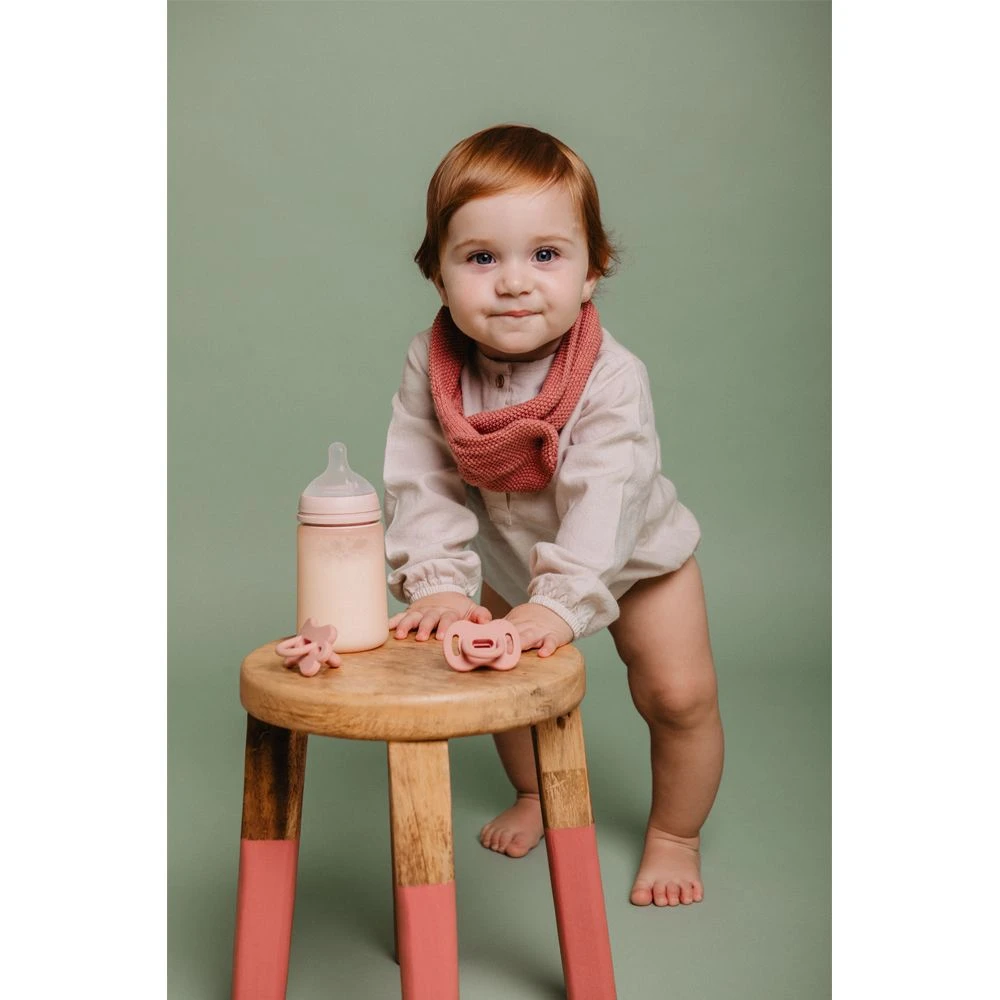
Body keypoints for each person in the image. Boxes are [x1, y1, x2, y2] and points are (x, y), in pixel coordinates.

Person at [382, 124, 724, 908]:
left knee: (678, 698)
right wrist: (439, 583)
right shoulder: (432, 366)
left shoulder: (611, 377)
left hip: (636, 558)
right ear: (438, 274)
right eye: (480, 258)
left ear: (591, 270)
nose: (513, 283)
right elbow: (421, 477)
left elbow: (608, 498)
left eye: (545, 255)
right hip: (513, 558)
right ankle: (535, 793)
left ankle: (676, 834)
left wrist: (560, 603)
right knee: (503, 681)